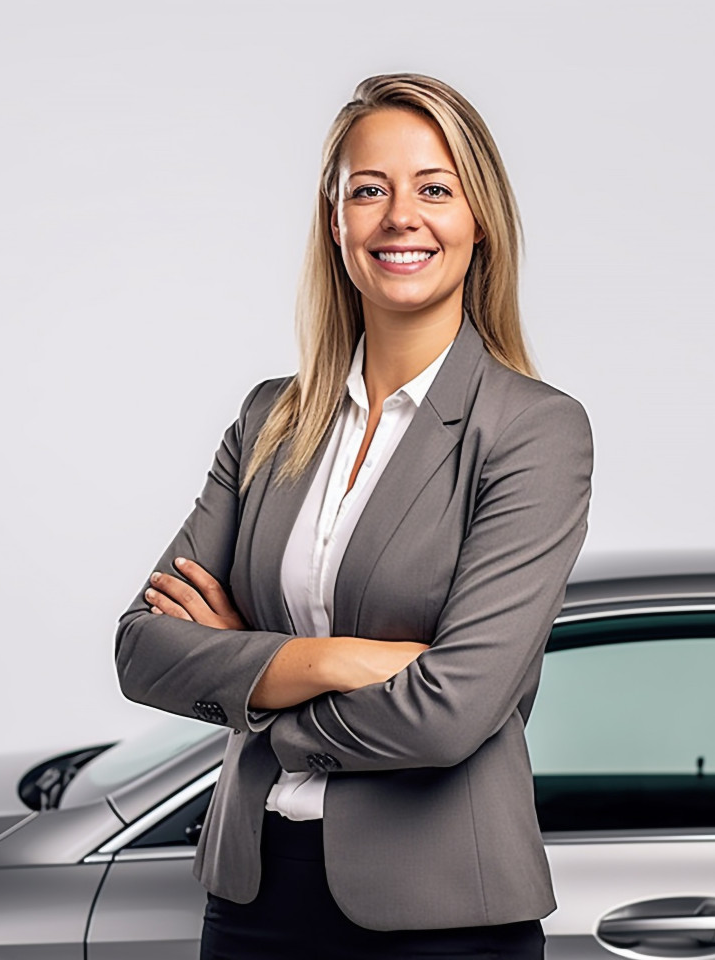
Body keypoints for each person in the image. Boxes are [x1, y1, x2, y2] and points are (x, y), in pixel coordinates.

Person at [114, 72, 593, 959]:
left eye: (434, 189)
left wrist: (252, 690)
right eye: (368, 190)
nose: (399, 216)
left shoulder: (532, 431)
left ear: (477, 219)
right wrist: (334, 659)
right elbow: (143, 650)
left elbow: (454, 708)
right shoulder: (270, 420)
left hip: (443, 917)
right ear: (335, 223)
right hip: (253, 898)